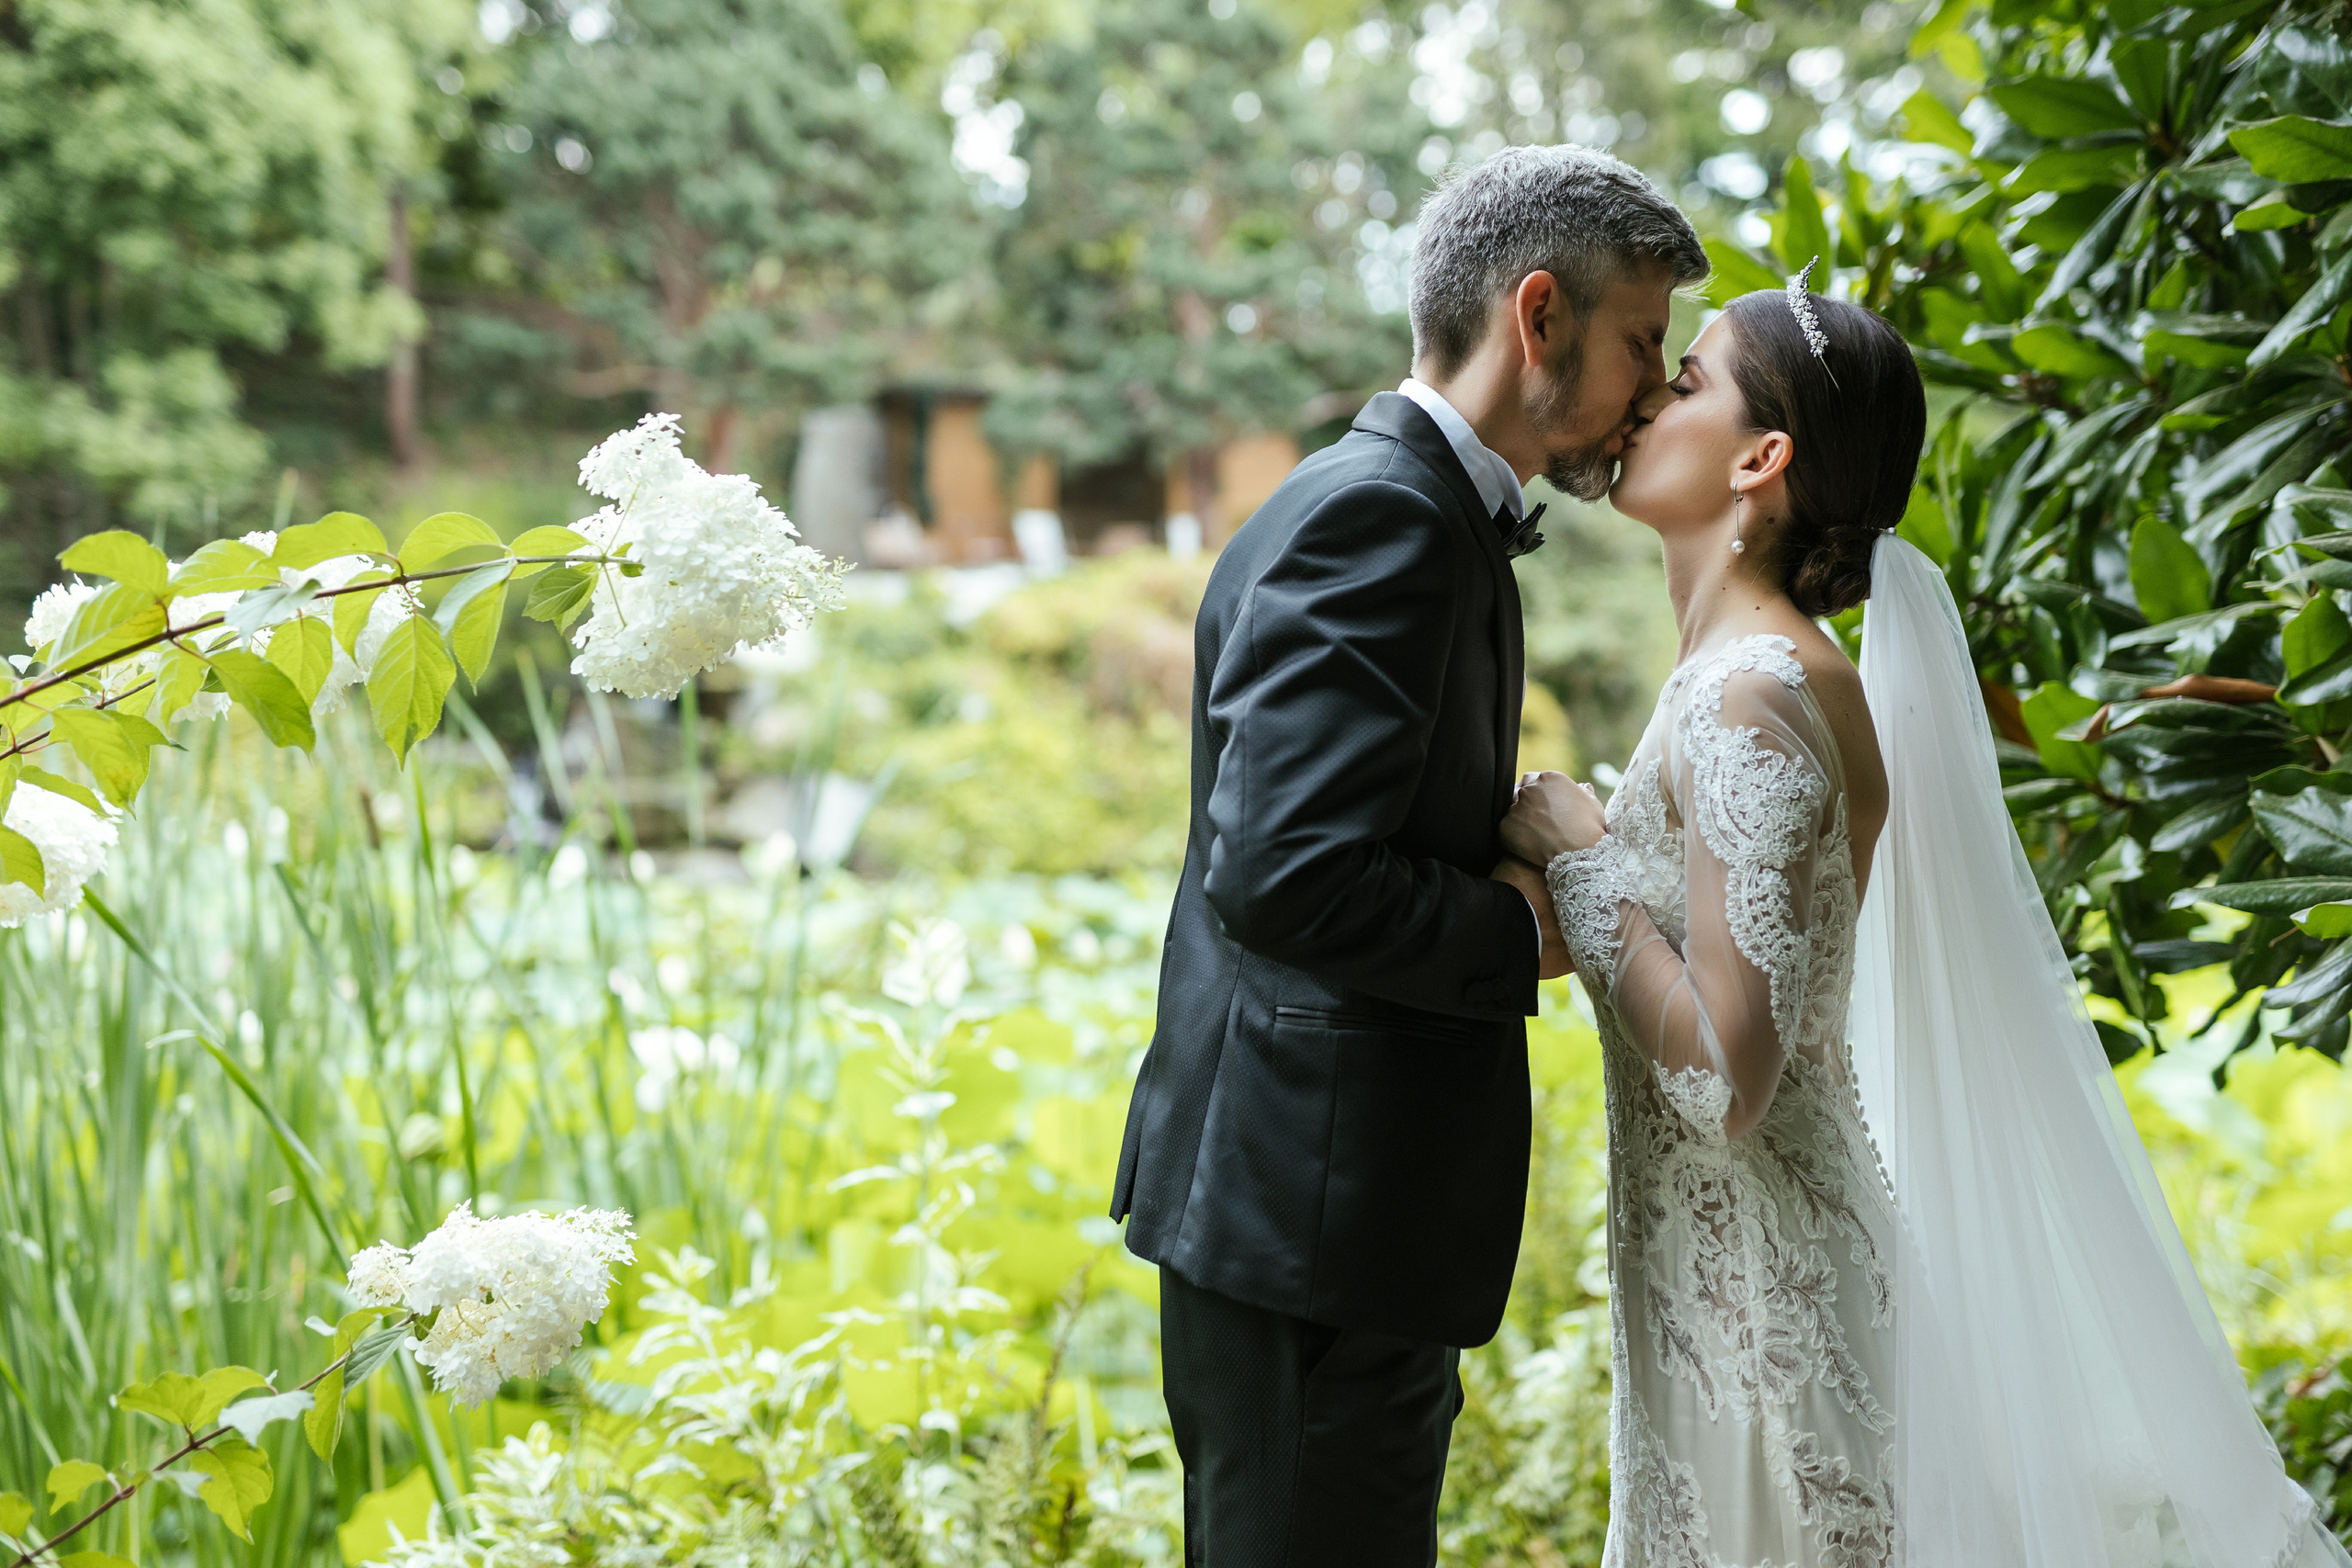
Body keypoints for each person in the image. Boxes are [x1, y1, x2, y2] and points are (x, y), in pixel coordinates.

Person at [1500, 273, 2352, 1567]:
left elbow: (1729, 1077)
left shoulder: (1753, 696)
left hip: (1777, 1346)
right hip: (1721, 1306)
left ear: (1761, 458)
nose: (1643, 403)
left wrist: (1578, 858)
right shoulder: (1740, 680)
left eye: (1685, 385)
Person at [1108, 146, 1706, 1567]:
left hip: (1327, 1212)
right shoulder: (1382, 517)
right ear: (1540, 317)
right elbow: (1284, 871)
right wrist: (1528, 925)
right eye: (1642, 343)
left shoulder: (1406, 508)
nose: (1654, 390)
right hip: (1307, 1220)